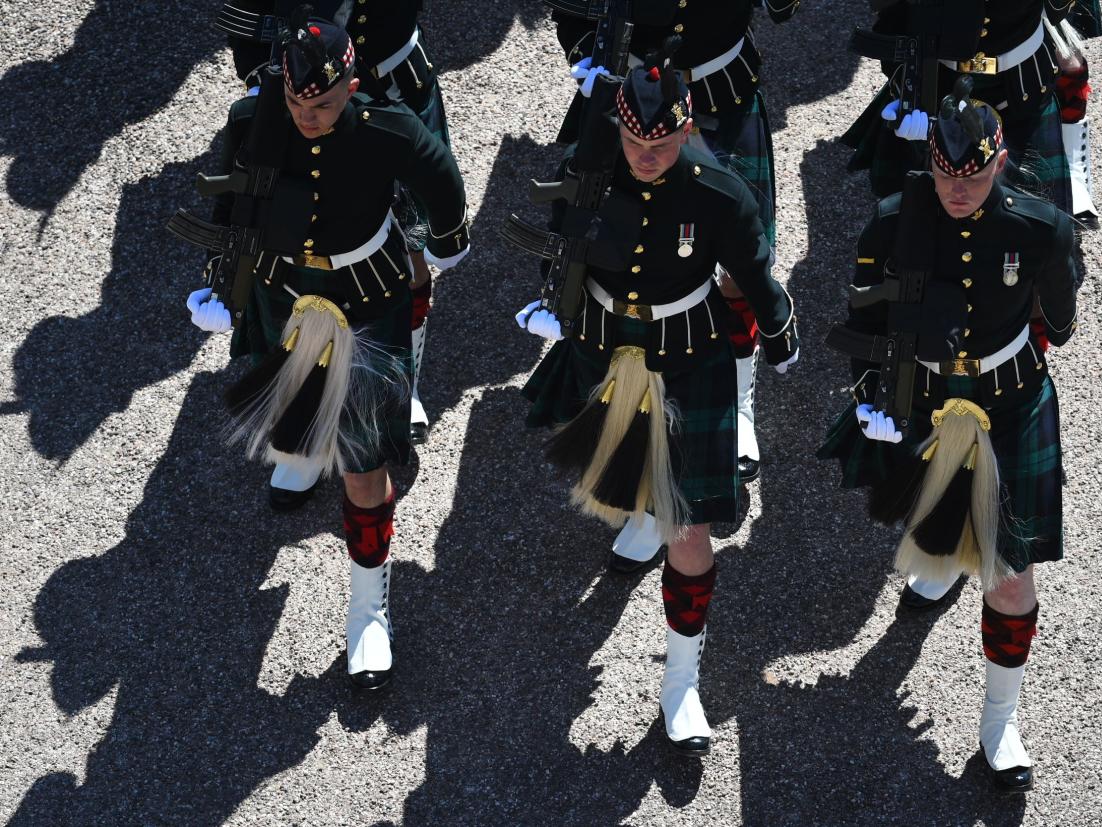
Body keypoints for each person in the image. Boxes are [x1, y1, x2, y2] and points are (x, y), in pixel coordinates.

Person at [518, 51, 798, 755]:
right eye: (635, 140)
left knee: (692, 532)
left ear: (687, 127)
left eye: (662, 142)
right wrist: (551, 293)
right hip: (605, 344)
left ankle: (681, 684)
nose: (646, 155)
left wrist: (780, 330)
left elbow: (753, 273)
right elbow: (558, 234)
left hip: (690, 360)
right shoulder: (594, 166)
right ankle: (642, 508)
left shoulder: (719, 191)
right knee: (630, 479)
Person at [183, 11, 469, 690]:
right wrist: (219, 280)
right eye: (298, 102)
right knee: (295, 397)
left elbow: (443, 181)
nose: (308, 116)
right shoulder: (259, 117)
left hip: (367, 294)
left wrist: (448, 240)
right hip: (285, 288)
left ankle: (368, 610)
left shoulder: (385, 127)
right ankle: (306, 447)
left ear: (351, 87)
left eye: (324, 103)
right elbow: (231, 195)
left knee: (366, 467)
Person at [819, 94, 1078, 791]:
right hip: (926, 398)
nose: (958, 190)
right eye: (945, 175)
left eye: (974, 174)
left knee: (1012, 571)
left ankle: (1000, 723)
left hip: (1013, 402)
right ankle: (939, 554)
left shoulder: (1043, 230)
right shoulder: (891, 225)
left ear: (999, 161)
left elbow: (1061, 317)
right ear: (929, 164)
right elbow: (864, 321)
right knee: (930, 519)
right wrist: (873, 393)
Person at [550, 0, 803, 502]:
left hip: (721, 92)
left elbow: (782, 9)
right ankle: (632, 409)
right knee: (627, 255)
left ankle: (740, 398)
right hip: (634, 109)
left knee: (740, 265)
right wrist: (587, 56)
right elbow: (570, 9)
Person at [215, 0, 458, 510]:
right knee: (289, 249)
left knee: (406, 251)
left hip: (389, 83)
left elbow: (441, 188)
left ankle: (397, 384)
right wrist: (264, 78)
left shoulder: (385, 121)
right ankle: (305, 426)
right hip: (291, 86)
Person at [842, 0, 1096, 215]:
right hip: (938, 75)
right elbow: (892, 13)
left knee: (1041, 220)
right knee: (914, 218)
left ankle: (1072, 160)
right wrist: (904, 85)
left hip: (1022, 78)